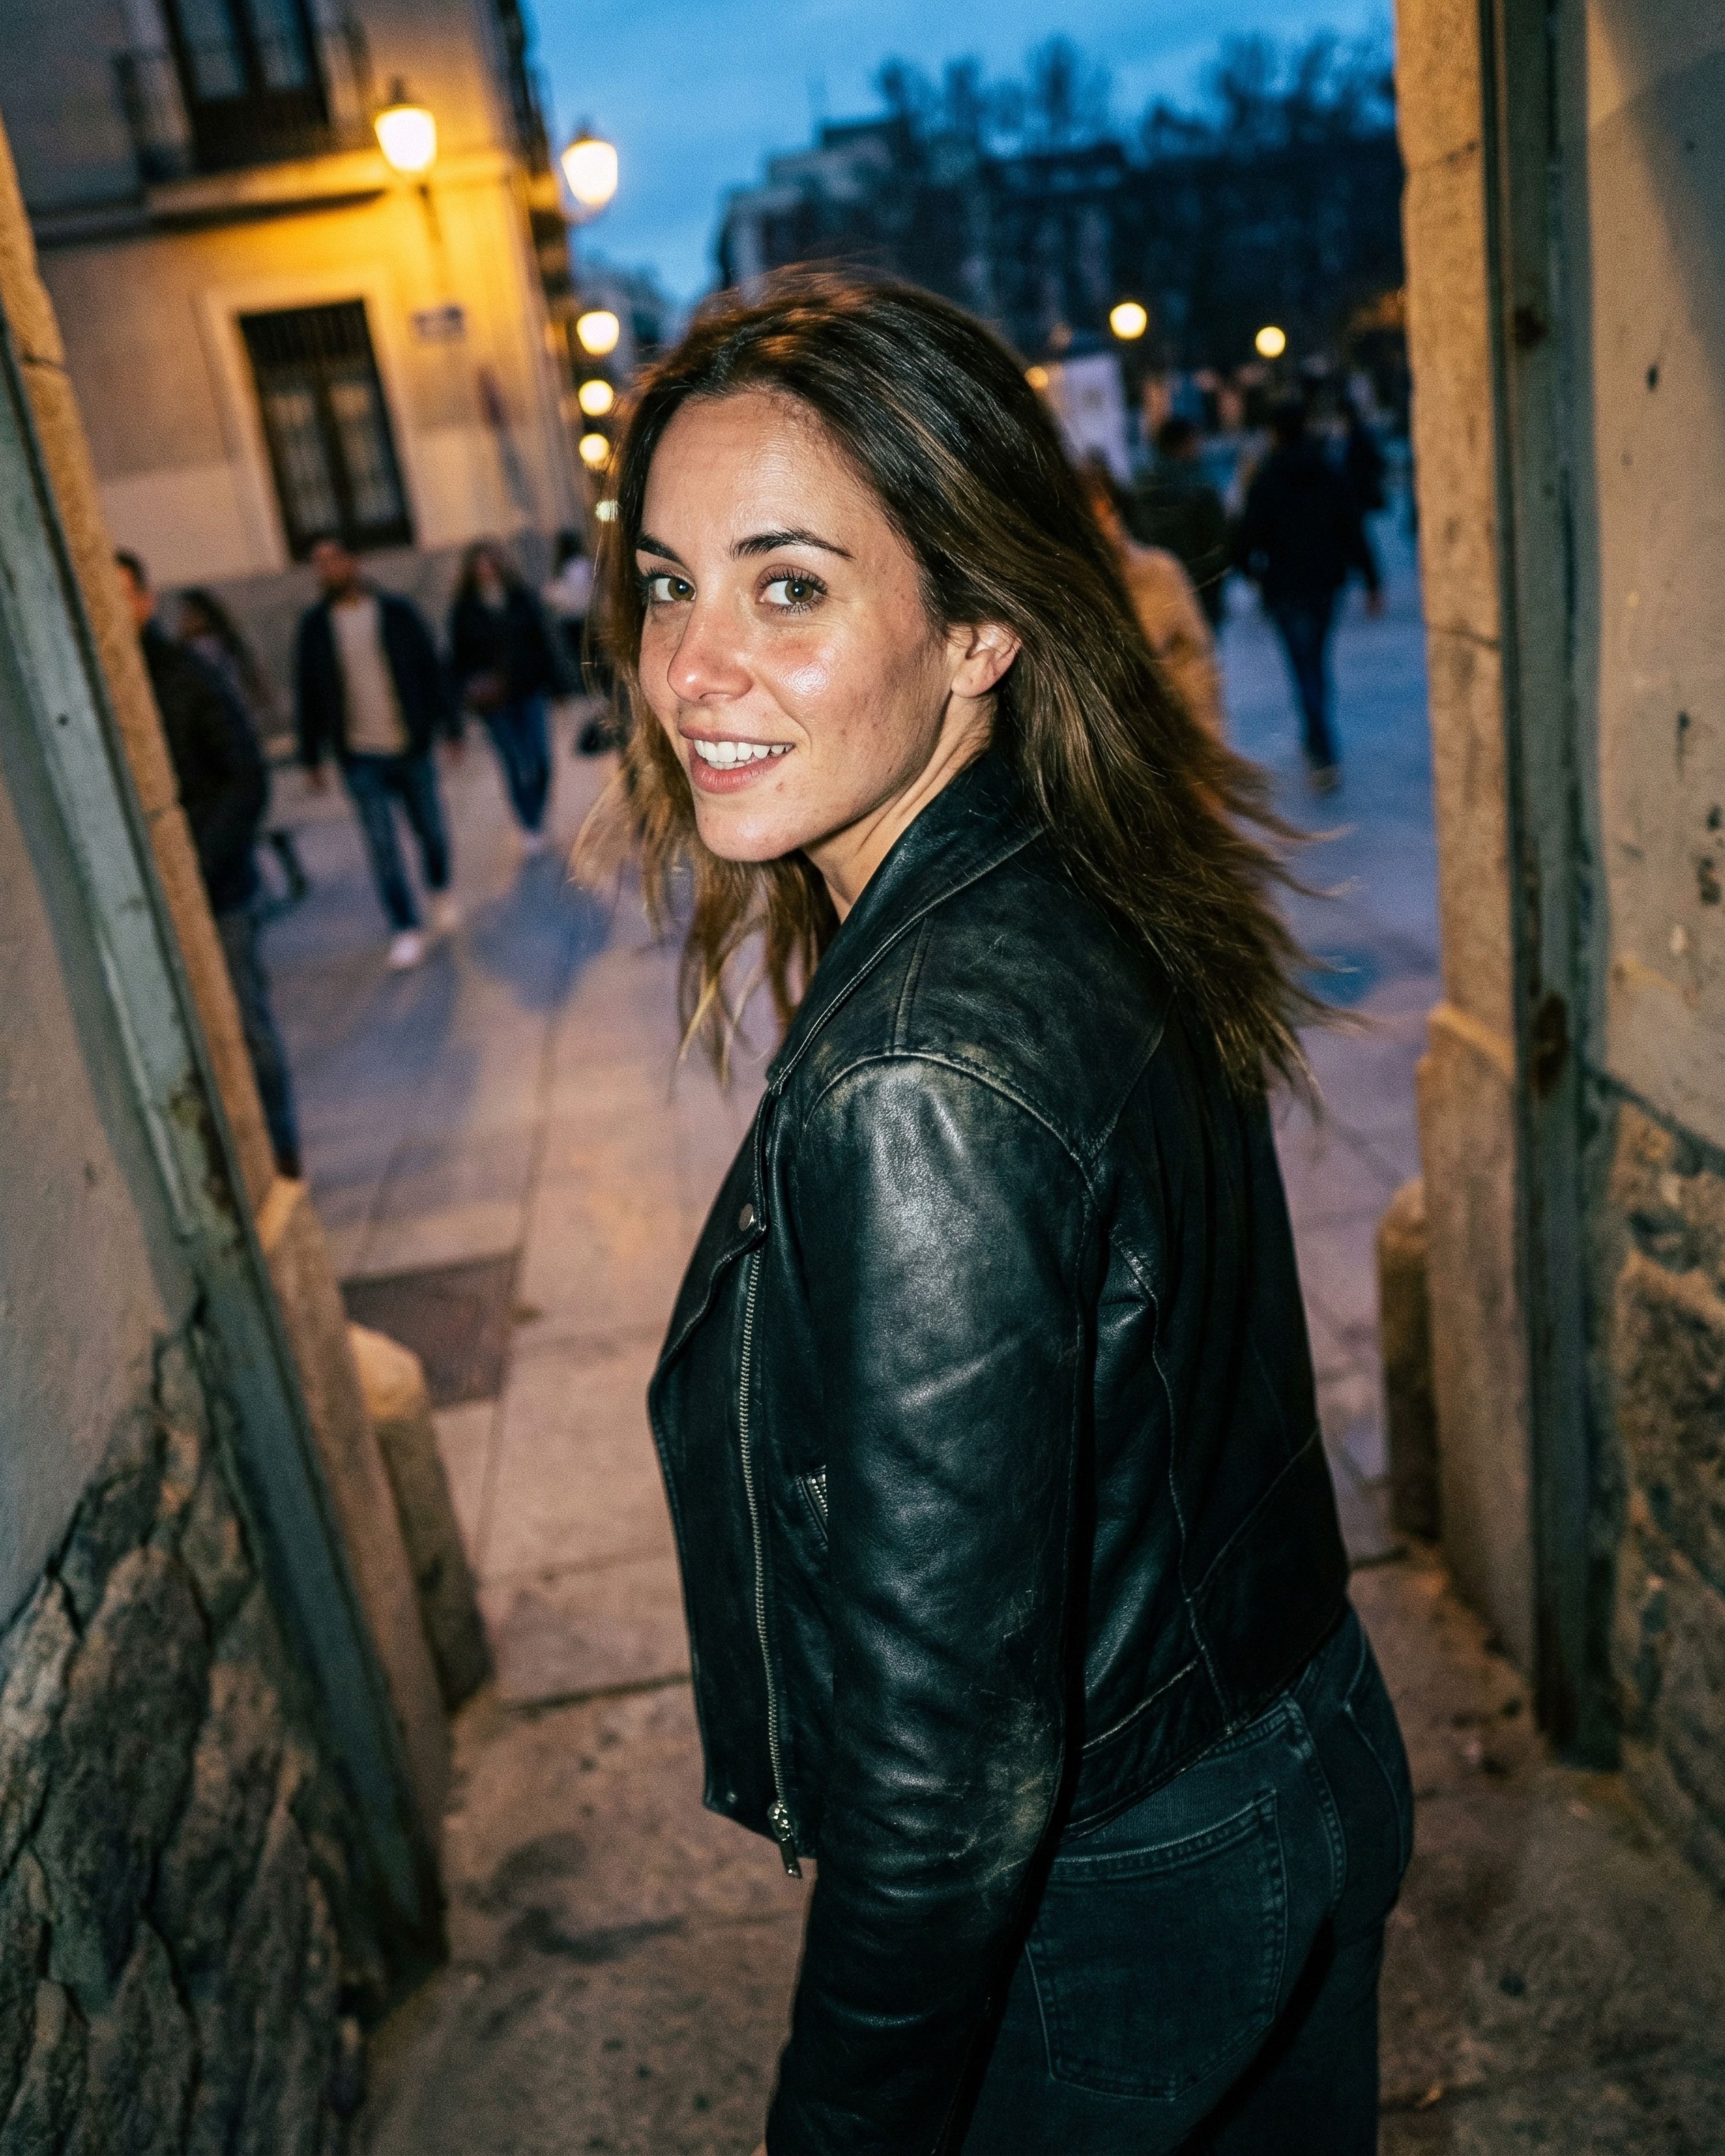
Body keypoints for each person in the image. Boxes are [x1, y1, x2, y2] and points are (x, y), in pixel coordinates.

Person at [586, 272, 1413, 2156]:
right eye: (666, 582)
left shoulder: (918, 1084)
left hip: (1120, 1906)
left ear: (979, 623)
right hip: (1296, 1747)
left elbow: (940, 1795)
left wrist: (843, 2126)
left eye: (789, 585)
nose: (693, 668)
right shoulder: (1080, 863)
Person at [116, 552, 301, 1179]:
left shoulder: (185, 675)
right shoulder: (98, 691)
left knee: (248, 1026)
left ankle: (281, 1155)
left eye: (122, 596)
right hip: (139, 905)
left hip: (218, 891)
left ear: (145, 599)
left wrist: (191, 861)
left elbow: (244, 779)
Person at [294, 537, 460, 969]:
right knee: (382, 845)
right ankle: (405, 927)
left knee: (431, 831)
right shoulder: (315, 627)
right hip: (359, 754)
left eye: (333, 561)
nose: (326, 571)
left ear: (354, 562)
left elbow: (431, 667)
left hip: (410, 743)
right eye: (319, 565)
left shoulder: (396, 611)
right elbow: (308, 695)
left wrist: (451, 727)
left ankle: (439, 890)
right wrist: (311, 758)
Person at [1233, 398, 1382, 792]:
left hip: (1285, 586)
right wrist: (1371, 580)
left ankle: (1320, 747)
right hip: (1324, 583)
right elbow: (1352, 528)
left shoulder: (1266, 479)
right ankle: (1318, 740)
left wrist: (1252, 573)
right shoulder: (1327, 473)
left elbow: (1247, 535)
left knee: (1302, 667)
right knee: (1316, 661)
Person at [177, 585, 309, 909]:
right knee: (259, 821)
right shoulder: (227, 646)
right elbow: (258, 691)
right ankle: (286, 874)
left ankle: (264, 889)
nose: (183, 621)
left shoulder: (200, 653)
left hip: (224, 750)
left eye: (189, 614)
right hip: (243, 742)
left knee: (246, 824)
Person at [1080, 455, 1225, 739]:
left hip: (1173, 751)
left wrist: (1209, 753)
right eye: (1092, 514)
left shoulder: (1159, 571)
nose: (1104, 522)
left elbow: (1197, 664)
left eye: (1107, 509)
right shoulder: (1064, 595)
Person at [448, 540, 567, 851]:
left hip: (529, 690)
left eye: (491, 565)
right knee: (514, 762)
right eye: (480, 566)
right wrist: (465, 694)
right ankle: (529, 825)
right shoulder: (464, 609)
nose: (486, 571)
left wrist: (558, 683)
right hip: (493, 701)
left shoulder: (521, 598)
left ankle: (538, 814)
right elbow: (458, 659)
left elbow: (543, 640)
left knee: (540, 759)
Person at [1129, 414, 1230, 630]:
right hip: (1200, 586)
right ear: (1183, 443)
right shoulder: (1201, 486)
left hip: (1158, 586)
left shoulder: (1143, 485)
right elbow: (1219, 540)